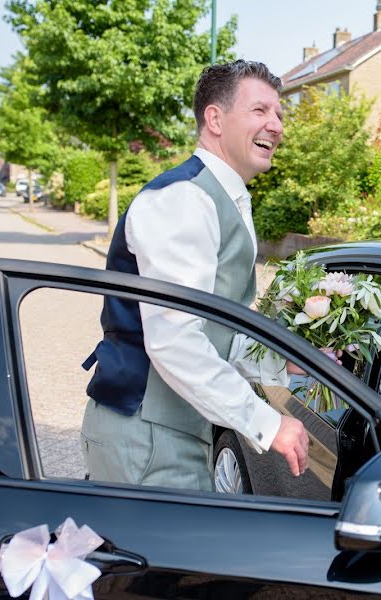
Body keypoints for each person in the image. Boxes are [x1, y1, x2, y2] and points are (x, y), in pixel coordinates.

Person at [80, 60, 310, 492]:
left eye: (279, 114)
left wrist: (282, 361)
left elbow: (215, 328)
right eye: (260, 111)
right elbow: (175, 339)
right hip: (146, 437)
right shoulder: (185, 199)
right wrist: (266, 422)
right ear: (216, 119)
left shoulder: (219, 198)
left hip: (173, 434)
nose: (276, 125)